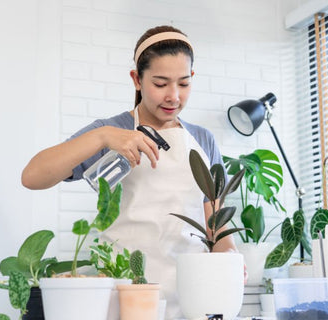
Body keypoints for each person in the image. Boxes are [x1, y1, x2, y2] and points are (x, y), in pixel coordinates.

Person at [21, 25, 239, 319]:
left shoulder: (203, 140)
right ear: (137, 79)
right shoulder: (114, 131)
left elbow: (215, 219)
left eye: (183, 84)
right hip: (125, 291)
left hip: (193, 294)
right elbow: (32, 176)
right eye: (160, 83)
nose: (173, 96)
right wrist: (101, 137)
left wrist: (228, 256)